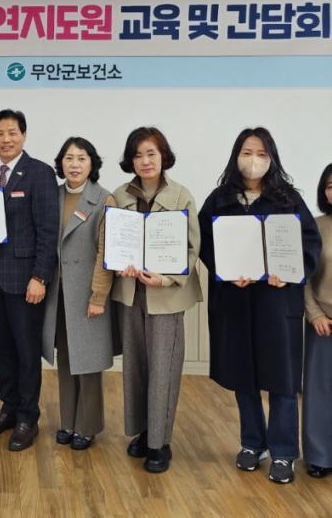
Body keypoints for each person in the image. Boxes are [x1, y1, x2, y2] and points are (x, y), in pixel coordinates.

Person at [198, 127, 321, 484]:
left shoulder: (288, 199)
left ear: (272, 159)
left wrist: (291, 273)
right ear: (236, 156)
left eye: (262, 154)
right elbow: (203, 241)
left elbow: (310, 244)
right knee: (243, 375)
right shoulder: (220, 199)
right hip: (235, 302)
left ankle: (284, 452)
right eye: (247, 152)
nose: (254, 160)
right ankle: (253, 443)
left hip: (276, 303)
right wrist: (225, 270)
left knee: (282, 379)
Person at [112, 127, 202, 473]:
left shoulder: (181, 195)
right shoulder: (120, 195)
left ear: (163, 156)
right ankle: (144, 431)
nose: (145, 161)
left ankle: (160, 443)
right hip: (131, 292)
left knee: (163, 368)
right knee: (135, 367)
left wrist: (167, 278)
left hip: (166, 295)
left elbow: (192, 248)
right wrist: (119, 264)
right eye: (137, 155)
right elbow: (111, 242)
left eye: (151, 153)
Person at [0, 109, 59, 451]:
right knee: (0, 348)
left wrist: (40, 276)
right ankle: (8, 408)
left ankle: (28, 417)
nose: (6, 139)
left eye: (12, 132)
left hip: (26, 279)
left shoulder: (40, 173)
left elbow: (48, 230)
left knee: (26, 351)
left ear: (24, 135)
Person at [41, 137, 116, 451]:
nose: (74, 164)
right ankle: (68, 421)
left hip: (87, 294)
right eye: (69, 158)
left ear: (92, 163)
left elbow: (105, 252)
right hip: (58, 294)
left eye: (81, 158)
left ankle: (88, 426)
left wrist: (98, 296)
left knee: (88, 362)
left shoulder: (103, 199)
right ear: (61, 163)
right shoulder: (53, 195)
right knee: (67, 360)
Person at [303, 163, 332, 479]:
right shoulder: (315, 226)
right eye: (330, 186)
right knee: (319, 391)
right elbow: (305, 276)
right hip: (322, 321)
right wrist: (315, 314)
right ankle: (319, 456)